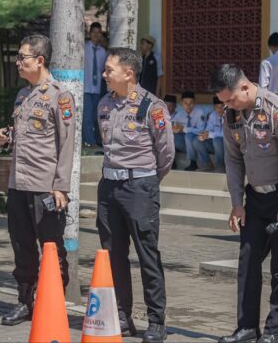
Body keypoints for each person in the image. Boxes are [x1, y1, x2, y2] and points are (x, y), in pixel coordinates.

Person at [210, 64, 278, 343]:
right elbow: (232, 160)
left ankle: (274, 332)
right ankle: (247, 328)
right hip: (255, 197)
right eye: (223, 102)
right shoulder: (231, 116)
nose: (227, 106)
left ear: (245, 86)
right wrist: (236, 202)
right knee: (248, 261)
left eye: (230, 99)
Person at [0, 34, 76, 326]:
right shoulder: (23, 95)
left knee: (52, 248)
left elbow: (67, 145)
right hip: (19, 183)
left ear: (39, 60)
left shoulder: (59, 96)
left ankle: (53, 302)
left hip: (45, 186)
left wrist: (60, 186)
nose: (18, 62)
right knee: (22, 246)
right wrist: (6, 138)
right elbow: (24, 136)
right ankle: (25, 302)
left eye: (22, 58)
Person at [97, 47, 173, 342]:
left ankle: (156, 321)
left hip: (139, 188)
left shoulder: (152, 107)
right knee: (113, 254)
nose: (104, 75)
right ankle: (121, 316)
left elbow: (165, 154)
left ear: (128, 73)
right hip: (109, 187)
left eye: (109, 70)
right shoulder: (104, 103)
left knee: (147, 254)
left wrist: (148, 182)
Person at [83, 22, 107, 146]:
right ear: (90, 33)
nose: (96, 35)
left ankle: (95, 140)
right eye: (94, 32)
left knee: (95, 116)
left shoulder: (103, 52)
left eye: (99, 33)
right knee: (87, 116)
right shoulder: (83, 48)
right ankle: (89, 142)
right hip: (85, 87)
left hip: (97, 88)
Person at [171, 91, 205, 171]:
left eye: (191, 103)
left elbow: (201, 131)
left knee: (189, 135)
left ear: (195, 103)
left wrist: (184, 129)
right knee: (170, 135)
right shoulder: (179, 114)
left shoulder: (200, 113)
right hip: (185, 145)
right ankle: (172, 161)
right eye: (185, 103)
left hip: (197, 143)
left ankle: (193, 163)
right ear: (181, 103)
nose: (188, 106)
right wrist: (174, 129)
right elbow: (172, 124)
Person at [193, 96, 225, 172]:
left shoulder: (230, 115)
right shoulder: (213, 115)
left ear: (226, 106)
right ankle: (206, 164)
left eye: (222, 107)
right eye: (217, 107)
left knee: (217, 140)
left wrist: (210, 134)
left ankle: (220, 166)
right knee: (197, 140)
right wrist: (204, 135)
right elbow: (208, 129)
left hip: (226, 146)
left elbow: (226, 134)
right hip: (215, 145)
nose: (220, 110)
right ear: (214, 107)